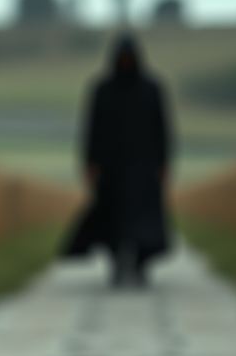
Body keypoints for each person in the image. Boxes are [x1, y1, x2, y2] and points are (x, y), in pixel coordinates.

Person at [63, 33, 172, 286]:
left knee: (145, 225)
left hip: (144, 169)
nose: (125, 62)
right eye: (121, 57)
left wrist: (163, 164)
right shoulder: (102, 90)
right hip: (111, 170)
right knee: (111, 223)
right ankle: (117, 265)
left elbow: (163, 130)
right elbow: (91, 129)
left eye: (129, 57)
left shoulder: (152, 90)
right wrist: (90, 163)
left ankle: (140, 265)